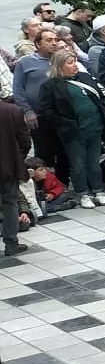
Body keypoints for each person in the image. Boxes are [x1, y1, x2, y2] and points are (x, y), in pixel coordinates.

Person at [35, 50, 105, 208]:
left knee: (94, 162)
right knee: (78, 163)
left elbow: (101, 98)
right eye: (70, 62)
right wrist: (64, 123)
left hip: (95, 128)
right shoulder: (51, 85)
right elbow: (46, 110)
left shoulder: (85, 78)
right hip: (73, 132)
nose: (75, 65)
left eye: (75, 62)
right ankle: (83, 193)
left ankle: (98, 191)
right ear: (60, 66)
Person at [0, 98, 28, 256]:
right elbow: (24, 140)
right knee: (10, 202)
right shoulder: (13, 110)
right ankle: (11, 243)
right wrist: (17, 157)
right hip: (8, 165)